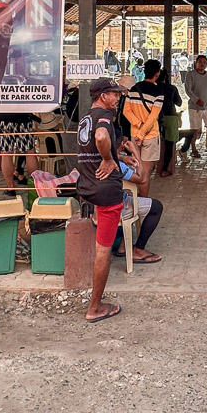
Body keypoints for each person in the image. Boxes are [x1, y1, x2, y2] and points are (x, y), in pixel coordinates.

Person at [77, 77, 128, 322]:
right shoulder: (105, 117)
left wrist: (117, 157)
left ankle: (95, 302)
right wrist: (109, 161)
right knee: (103, 250)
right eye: (114, 94)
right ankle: (95, 307)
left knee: (101, 244)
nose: (117, 98)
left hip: (87, 185)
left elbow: (92, 146)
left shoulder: (86, 116)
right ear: (102, 96)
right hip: (106, 190)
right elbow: (100, 138)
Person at [111, 155, 163, 265]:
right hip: (116, 209)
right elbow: (142, 179)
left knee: (135, 198)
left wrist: (121, 157)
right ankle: (138, 249)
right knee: (156, 207)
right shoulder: (117, 165)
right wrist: (134, 150)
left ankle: (123, 246)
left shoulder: (93, 161)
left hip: (98, 209)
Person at [122, 59, 164, 196]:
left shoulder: (134, 89)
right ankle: (143, 203)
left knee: (135, 170)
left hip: (134, 136)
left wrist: (138, 127)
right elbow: (153, 118)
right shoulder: (158, 92)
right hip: (150, 136)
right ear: (157, 74)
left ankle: (133, 200)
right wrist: (142, 133)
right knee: (144, 174)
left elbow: (126, 111)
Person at [0, 111, 41, 196]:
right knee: (30, 152)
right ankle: (36, 185)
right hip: (24, 118)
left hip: (3, 118)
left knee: (6, 153)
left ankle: (11, 187)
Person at [184, 54, 207, 160]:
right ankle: (193, 149)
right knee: (195, 130)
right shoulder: (190, 75)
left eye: (204, 62)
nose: (202, 64)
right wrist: (196, 100)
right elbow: (188, 90)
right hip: (194, 107)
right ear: (196, 63)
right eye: (200, 62)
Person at [157, 71, 182, 177]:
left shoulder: (154, 88)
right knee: (169, 144)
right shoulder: (172, 88)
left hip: (156, 117)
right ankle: (165, 169)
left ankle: (153, 167)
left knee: (155, 144)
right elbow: (179, 103)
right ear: (166, 77)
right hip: (171, 117)